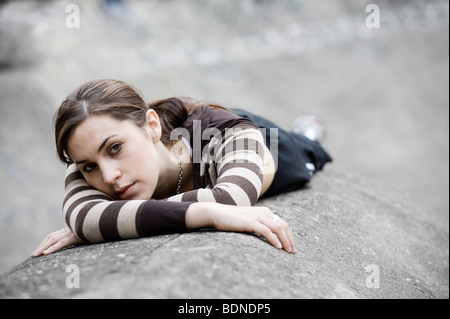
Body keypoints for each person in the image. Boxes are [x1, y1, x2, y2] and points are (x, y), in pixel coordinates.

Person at [33, 79, 332, 257]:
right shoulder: (88, 157)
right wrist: (206, 212)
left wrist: (113, 221)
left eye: (115, 148)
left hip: (262, 144)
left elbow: (231, 200)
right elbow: (85, 219)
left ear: (151, 126)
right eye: (88, 167)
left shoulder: (224, 133)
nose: (109, 177)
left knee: (306, 149)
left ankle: (308, 131)